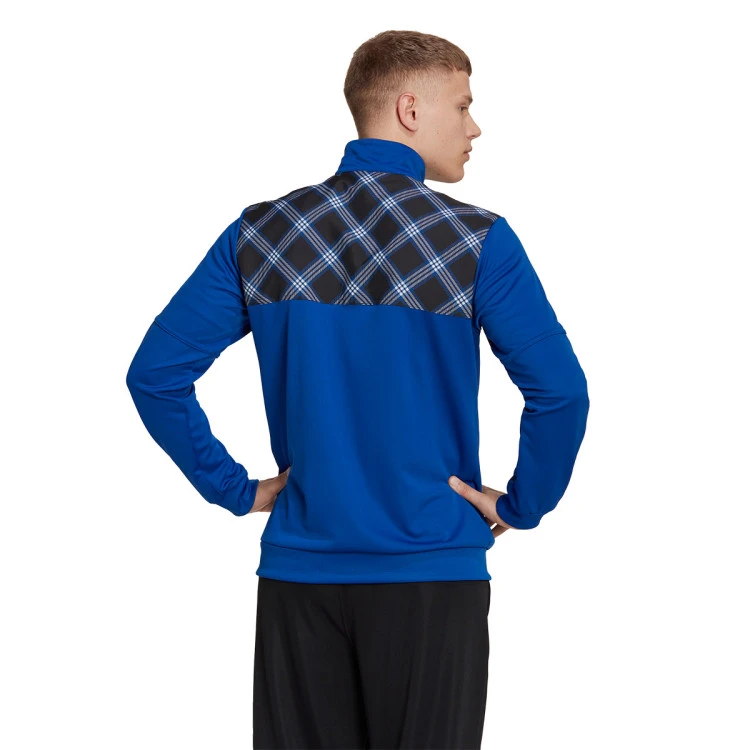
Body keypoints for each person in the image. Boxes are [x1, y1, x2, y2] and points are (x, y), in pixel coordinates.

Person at [126, 29, 589, 750]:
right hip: (432, 577)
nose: (474, 127)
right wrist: (522, 504)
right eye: (463, 105)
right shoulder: (478, 241)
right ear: (410, 109)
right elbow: (560, 393)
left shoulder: (262, 235)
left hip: (300, 579)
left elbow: (156, 375)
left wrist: (237, 490)